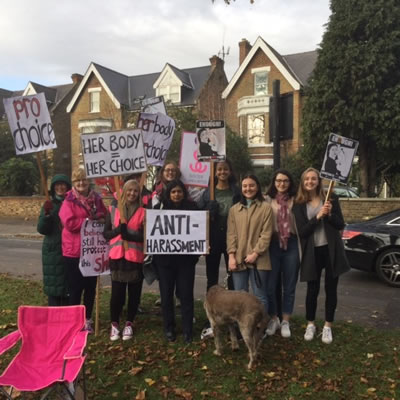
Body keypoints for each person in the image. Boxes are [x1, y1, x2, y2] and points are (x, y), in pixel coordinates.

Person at [292, 167, 350, 344]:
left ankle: (327, 326)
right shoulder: (299, 204)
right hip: (312, 251)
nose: (310, 182)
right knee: (312, 289)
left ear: (319, 181)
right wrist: (317, 217)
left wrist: (330, 214)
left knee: (331, 289)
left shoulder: (330, 199)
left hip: (331, 249)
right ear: (303, 182)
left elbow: (341, 224)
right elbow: (302, 232)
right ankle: (310, 323)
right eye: (306, 179)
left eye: (313, 179)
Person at [59, 168, 107, 332]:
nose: (81, 183)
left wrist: (98, 218)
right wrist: (88, 221)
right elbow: (70, 223)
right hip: (74, 252)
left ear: (88, 182)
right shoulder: (69, 201)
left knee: (90, 287)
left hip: (92, 251)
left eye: (84, 180)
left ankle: (87, 319)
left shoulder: (97, 199)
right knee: (75, 287)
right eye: (78, 180)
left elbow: (103, 215)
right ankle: (74, 320)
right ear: (74, 183)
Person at [197, 160, 240, 338]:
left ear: (230, 171)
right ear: (214, 172)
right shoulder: (207, 193)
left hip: (233, 239)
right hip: (214, 239)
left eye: (225, 169)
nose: (222, 172)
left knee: (233, 278)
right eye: (219, 169)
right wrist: (207, 210)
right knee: (211, 278)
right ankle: (211, 318)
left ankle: (233, 315)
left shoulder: (236, 191)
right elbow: (198, 216)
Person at [153, 179, 199, 343]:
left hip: (186, 262)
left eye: (179, 191)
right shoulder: (159, 209)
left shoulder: (193, 208)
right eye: (173, 192)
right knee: (166, 297)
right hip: (165, 262)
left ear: (184, 193)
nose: (177, 194)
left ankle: (187, 330)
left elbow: (199, 231)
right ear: (169, 193)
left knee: (186, 296)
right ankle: (169, 328)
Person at [103, 179, 145, 341]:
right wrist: (117, 231)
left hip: (134, 258)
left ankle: (129, 323)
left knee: (134, 294)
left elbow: (146, 236)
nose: (132, 194)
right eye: (129, 190)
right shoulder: (113, 209)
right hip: (117, 257)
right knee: (117, 295)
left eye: (135, 191)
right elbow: (105, 234)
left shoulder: (143, 211)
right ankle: (114, 324)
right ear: (124, 191)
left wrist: (130, 234)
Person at [226, 174, 273, 314]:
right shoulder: (234, 210)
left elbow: (266, 234)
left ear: (257, 187)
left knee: (260, 296)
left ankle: (260, 328)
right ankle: (243, 328)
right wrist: (231, 256)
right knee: (240, 296)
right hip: (239, 259)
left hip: (259, 259)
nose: (248, 188)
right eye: (245, 186)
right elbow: (231, 234)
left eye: (251, 185)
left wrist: (255, 253)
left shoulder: (265, 208)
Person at [265, 169, 299, 338]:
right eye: (278, 181)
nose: (282, 184)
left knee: (289, 286)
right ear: (274, 182)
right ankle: (274, 318)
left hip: (291, 244)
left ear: (290, 183)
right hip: (272, 243)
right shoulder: (267, 200)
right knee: (270, 286)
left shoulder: (296, 200)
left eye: (285, 181)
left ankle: (285, 320)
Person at [37, 174, 72, 306]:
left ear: (68, 187)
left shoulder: (72, 203)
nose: (60, 187)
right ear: (53, 188)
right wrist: (46, 216)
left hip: (70, 248)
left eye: (63, 184)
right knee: (54, 286)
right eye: (57, 185)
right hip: (52, 251)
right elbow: (41, 229)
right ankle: (54, 316)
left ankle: (68, 316)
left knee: (69, 286)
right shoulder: (49, 205)